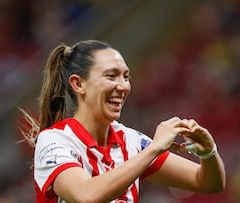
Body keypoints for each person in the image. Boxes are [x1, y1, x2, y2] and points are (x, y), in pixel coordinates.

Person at [22, 39, 225, 203]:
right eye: (111, 76)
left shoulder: (130, 141)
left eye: (126, 77)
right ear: (78, 84)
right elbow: (86, 196)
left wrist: (208, 152)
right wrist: (153, 149)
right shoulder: (54, 141)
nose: (123, 87)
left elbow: (207, 183)